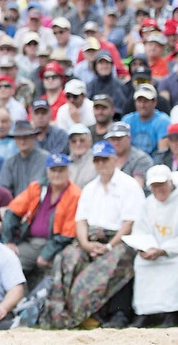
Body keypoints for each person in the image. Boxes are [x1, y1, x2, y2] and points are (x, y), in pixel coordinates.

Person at [40, 141, 145, 329]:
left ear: (114, 160)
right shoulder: (89, 188)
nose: (101, 164)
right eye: (97, 160)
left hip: (120, 239)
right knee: (67, 257)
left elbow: (129, 223)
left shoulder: (128, 185)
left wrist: (109, 246)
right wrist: (86, 244)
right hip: (91, 239)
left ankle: (118, 313)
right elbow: (81, 221)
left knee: (115, 259)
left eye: (105, 159)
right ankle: (63, 312)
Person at [129, 166, 178, 328]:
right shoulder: (148, 204)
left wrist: (165, 250)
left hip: (177, 253)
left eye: (162, 184)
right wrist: (143, 248)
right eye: (154, 186)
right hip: (152, 253)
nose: (158, 189)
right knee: (141, 264)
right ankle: (145, 312)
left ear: (170, 183)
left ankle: (173, 313)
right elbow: (139, 231)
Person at [2, 154, 81, 279]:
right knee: (6, 259)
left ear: (68, 171)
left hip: (58, 244)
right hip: (30, 241)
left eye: (61, 170)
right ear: (48, 172)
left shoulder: (75, 195)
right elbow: (12, 212)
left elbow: (67, 235)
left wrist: (46, 254)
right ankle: (19, 297)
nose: (57, 174)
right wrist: (8, 240)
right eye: (53, 170)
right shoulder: (37, 187)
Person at [0, 121, 49, 198]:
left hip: (40, 205)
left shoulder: (46, 159)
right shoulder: (10, 163)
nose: (22, 141)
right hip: (15, 206)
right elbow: (3, 189)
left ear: (33, 137)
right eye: (19, 137)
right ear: (15, 139)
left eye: (26, 136)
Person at [120, 83, 171, 156]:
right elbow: (121, 150)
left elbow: (162, 154)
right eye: (139, 101)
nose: (142, 105)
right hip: (131, 164)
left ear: (154, 102)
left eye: (146, 101)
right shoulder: (127, 120)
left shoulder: (163, 121)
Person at [105, 122, 155, 191]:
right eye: (113, 139)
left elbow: (137, 187)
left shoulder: (141, 158)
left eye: (119, 138)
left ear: (129, 138)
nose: (116, 143)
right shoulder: (104, 159)